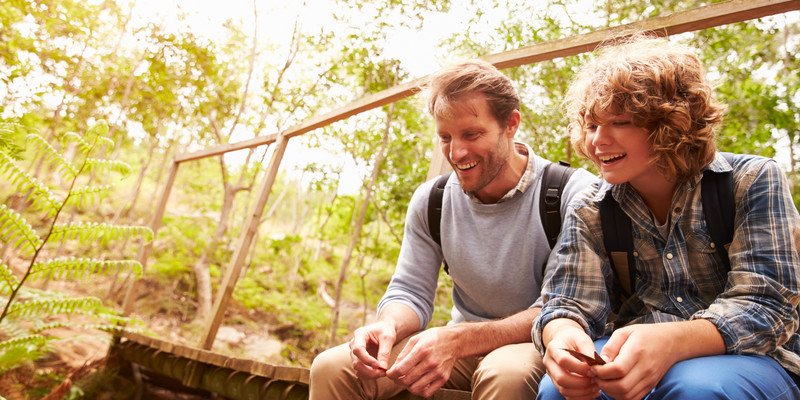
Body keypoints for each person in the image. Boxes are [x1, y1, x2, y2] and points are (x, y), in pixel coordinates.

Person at [309, 59, 597, 399]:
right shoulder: (432, 200)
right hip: (461, 346)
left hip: (538, 341)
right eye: (445, 137)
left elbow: (561, 307)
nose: (456, 152)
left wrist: (459, 339)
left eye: (471, 134)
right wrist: (387, 326)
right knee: (332, 367)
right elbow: (410, 291)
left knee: (504, 374)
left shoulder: (571, 194)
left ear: (511, 124)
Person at [533, 35, 800, 400]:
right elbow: (569, 303)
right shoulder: (590, 208)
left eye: (620, 122)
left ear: (671, 124)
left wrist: (673, 342)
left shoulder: (750, 181)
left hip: (751, 358)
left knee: (695, 389)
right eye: (592, 125)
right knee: (556, 391)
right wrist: (563, 337)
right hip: (632, 354)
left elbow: (768, 306)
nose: (598, 140)